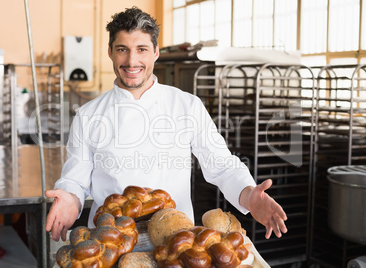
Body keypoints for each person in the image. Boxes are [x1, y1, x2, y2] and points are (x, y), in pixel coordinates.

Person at [45, 6, 288, 242]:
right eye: (122, 49)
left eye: (142, 49)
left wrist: (248, 194)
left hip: (175, 242)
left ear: (155, 52)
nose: (132, 61)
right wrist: (69, 198)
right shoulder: (88, 115)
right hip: (111, 243)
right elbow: (75, 179)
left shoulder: (187, 106)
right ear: (110, 51)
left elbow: (222, 165)